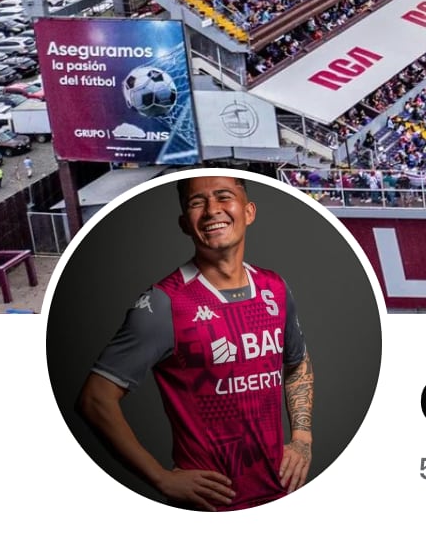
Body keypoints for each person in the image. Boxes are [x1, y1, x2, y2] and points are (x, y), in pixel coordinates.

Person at [78, 175, 314, 511]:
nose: (212, 211)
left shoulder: (274, 287)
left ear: (248, 212)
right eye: (196, 203)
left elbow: (297, 362)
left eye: (223, 197)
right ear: (184, 224)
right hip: (212, 505)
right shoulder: (165, 303)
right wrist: (160, 477)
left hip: (282, 491)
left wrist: (302, 437)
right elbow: (94, 399)